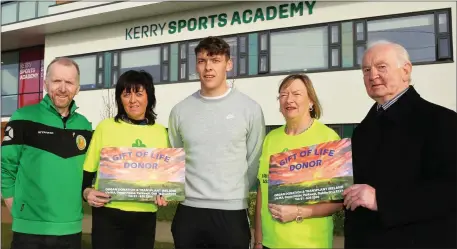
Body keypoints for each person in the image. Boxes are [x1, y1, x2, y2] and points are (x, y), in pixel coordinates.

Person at [343, 40, 456, 248]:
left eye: (381, 67)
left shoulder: (442, 121)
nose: (372, 75)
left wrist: (382, 200)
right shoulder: (362, 131)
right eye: (366, 69)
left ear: (406, 70)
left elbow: (450, 190)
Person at [168, 36, 265, 248]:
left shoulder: (250, 109)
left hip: (231, 212)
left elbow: (254, 160)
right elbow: (177, 160)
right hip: (189, 211)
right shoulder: (179, 111)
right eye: (202, 61)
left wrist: (232, 192)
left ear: (228, 64)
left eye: (215, 60)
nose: (208, 68)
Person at [1, 57, 92, 249]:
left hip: (71, 230)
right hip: (29, 231)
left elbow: (88, 172)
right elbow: (5, 167)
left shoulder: (85, 125)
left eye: (69, 82)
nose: (62, 88)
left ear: (77, 88)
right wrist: (15, 208)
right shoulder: (23, 117)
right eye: (57, 81)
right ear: (45, 83)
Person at [253, 74, 343, 249]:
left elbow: (338, 202)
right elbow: (262, 190)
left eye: (296, 94)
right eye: (284, 95)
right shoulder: (271, 139)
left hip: (310, 244)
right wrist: (258, 240)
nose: (289, 100)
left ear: (311, 102)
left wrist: (297, 212)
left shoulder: (328, 138)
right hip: (269, 243)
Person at [81, 70, 169, 249]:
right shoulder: (105, 127)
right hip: (108, 215)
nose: (132, 100)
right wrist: (86, 192)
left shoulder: (161, 132)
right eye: (126, 94)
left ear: (149, 97)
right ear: (119, 99)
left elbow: (166, 179)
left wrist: (166, 194)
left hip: (145, 216)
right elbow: (86, 174)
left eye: (138, 93)